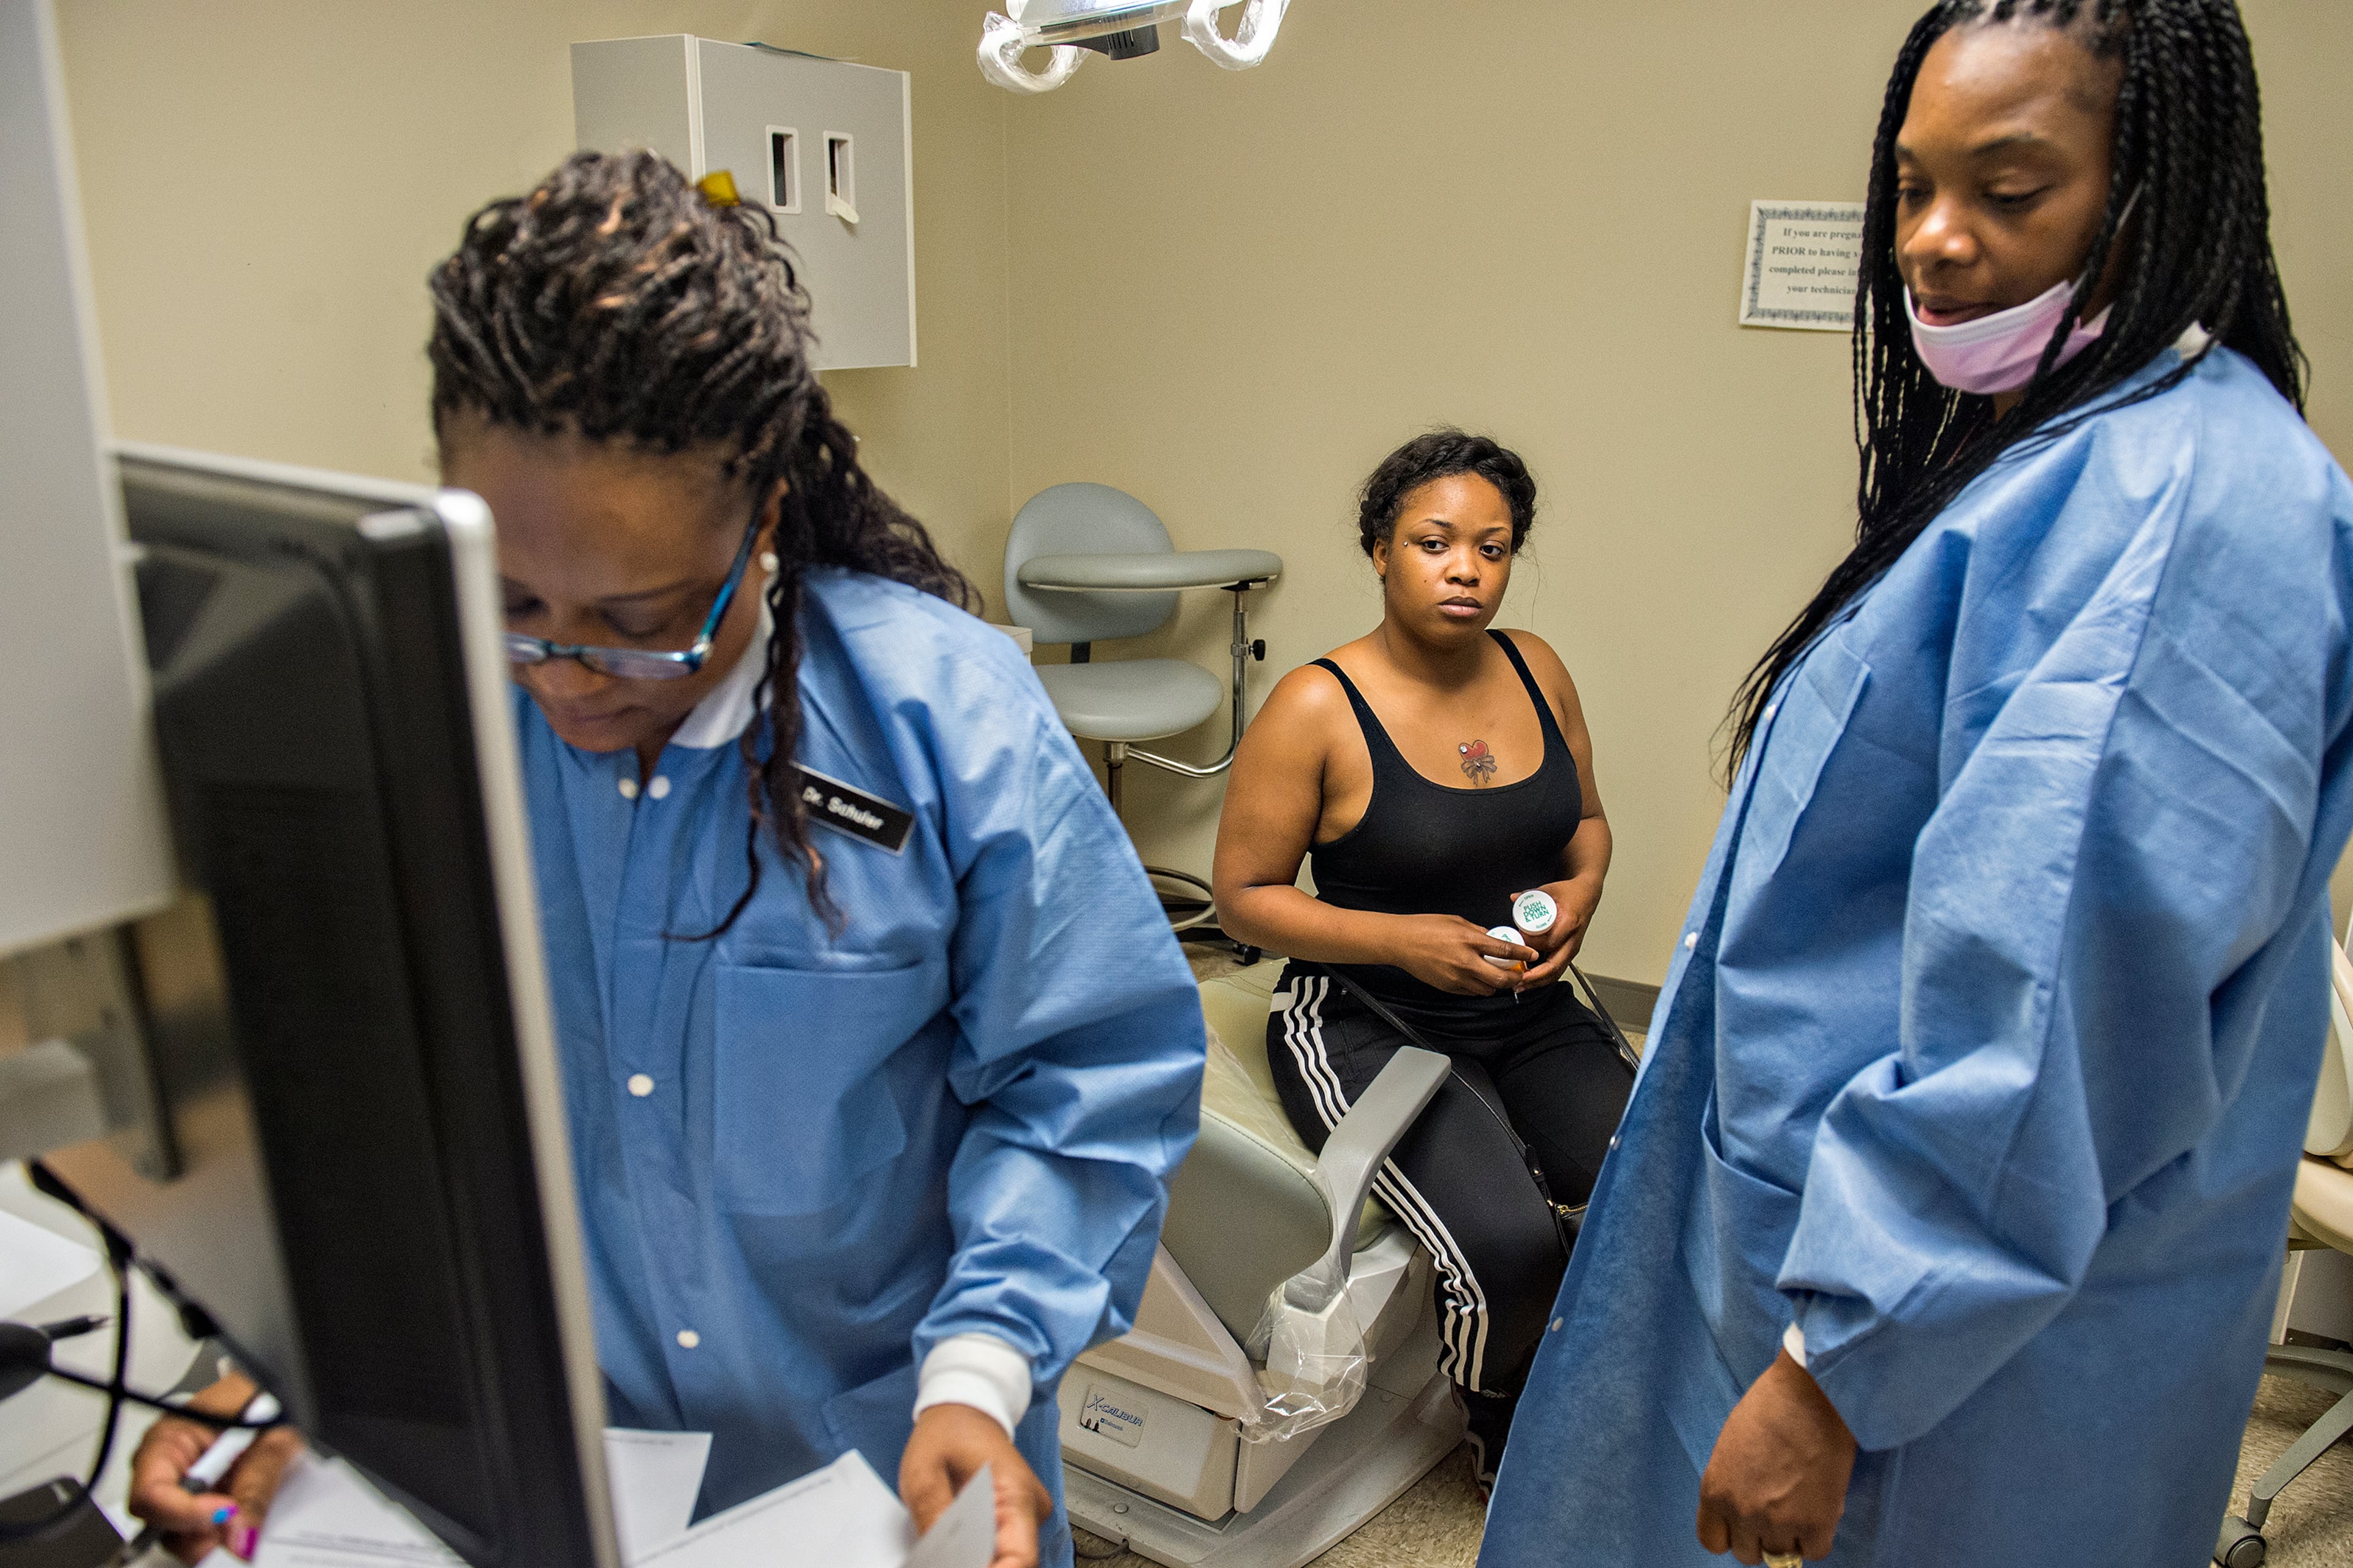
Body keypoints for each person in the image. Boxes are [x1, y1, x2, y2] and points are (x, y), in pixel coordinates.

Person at [125, 150, 1207, 1568]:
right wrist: (298, 1368)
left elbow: (1086, 1078)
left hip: (893, 1455)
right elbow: (355, 1102)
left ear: (763, 522)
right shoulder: (415, 727)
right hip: (554, 1474)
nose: (568, 677)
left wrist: (986, 1369)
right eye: (509, 599)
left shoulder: (943, 720)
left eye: (641, 620)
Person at [1478, 2, 2353, 1564]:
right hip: (1838, 1247)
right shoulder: (2065, 459)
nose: (1935, 244)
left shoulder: (2179, 517)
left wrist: (1834, 1372)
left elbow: (2045, 1030)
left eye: (2009, 192)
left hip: (1938, 1356)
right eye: (1910, 188)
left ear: (2160, 184)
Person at [1211, 431, 1633, 1491]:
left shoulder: (1539, 668)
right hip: (1362, 1016)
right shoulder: (1316, 704)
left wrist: (1581, 896)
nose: (1466, 569)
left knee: (1643, 1182)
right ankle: (1505, 1431)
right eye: (1435, 542)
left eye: (1492, 548)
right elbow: (1243, 901)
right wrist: (1402, 940)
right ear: (1381, 552)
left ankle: (1611, 1382)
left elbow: (1584, 820)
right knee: (1511, 1247)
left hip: (1522, 1002)